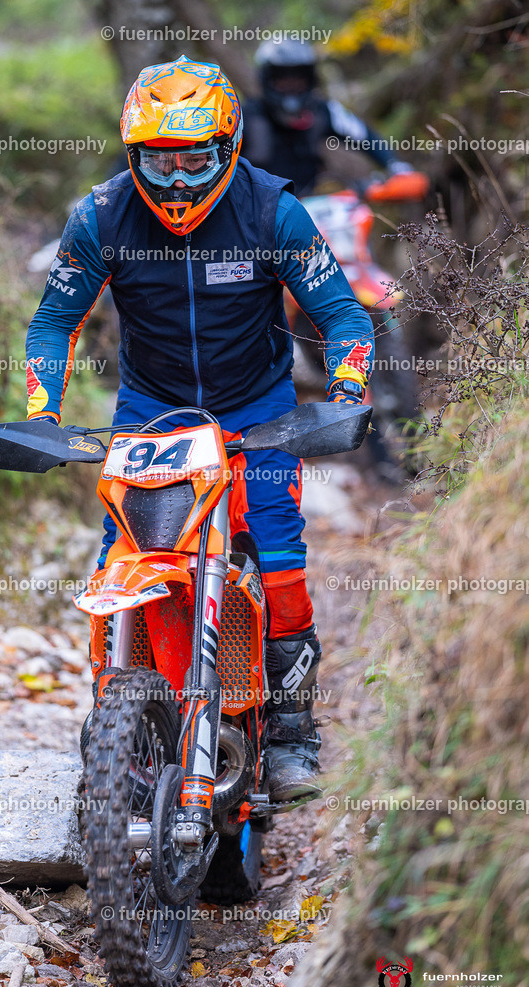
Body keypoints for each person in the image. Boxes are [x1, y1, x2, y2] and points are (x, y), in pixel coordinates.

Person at [24, 54, 374, 802]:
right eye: (159, 162)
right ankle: (118, 710)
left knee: (277, 558)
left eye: (195, 161)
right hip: (152, 409)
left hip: (258, 408)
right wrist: (42, 413)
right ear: (132, 155)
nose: (178, 181)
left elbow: (341, 313)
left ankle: (289, 730)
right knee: (126, 553)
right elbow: (55, 321)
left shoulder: (271, 209)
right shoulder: (99, 216)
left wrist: (345, 388)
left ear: (229, 147)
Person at [242, 39, 414, 195]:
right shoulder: (244, 117)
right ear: (267, 79)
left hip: (310, 211)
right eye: (282, 81)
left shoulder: (322, 111)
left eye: (298, 80)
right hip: (257, 214)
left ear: (310, 80)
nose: (291, 87)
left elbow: (363, 135)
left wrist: (395, 166)